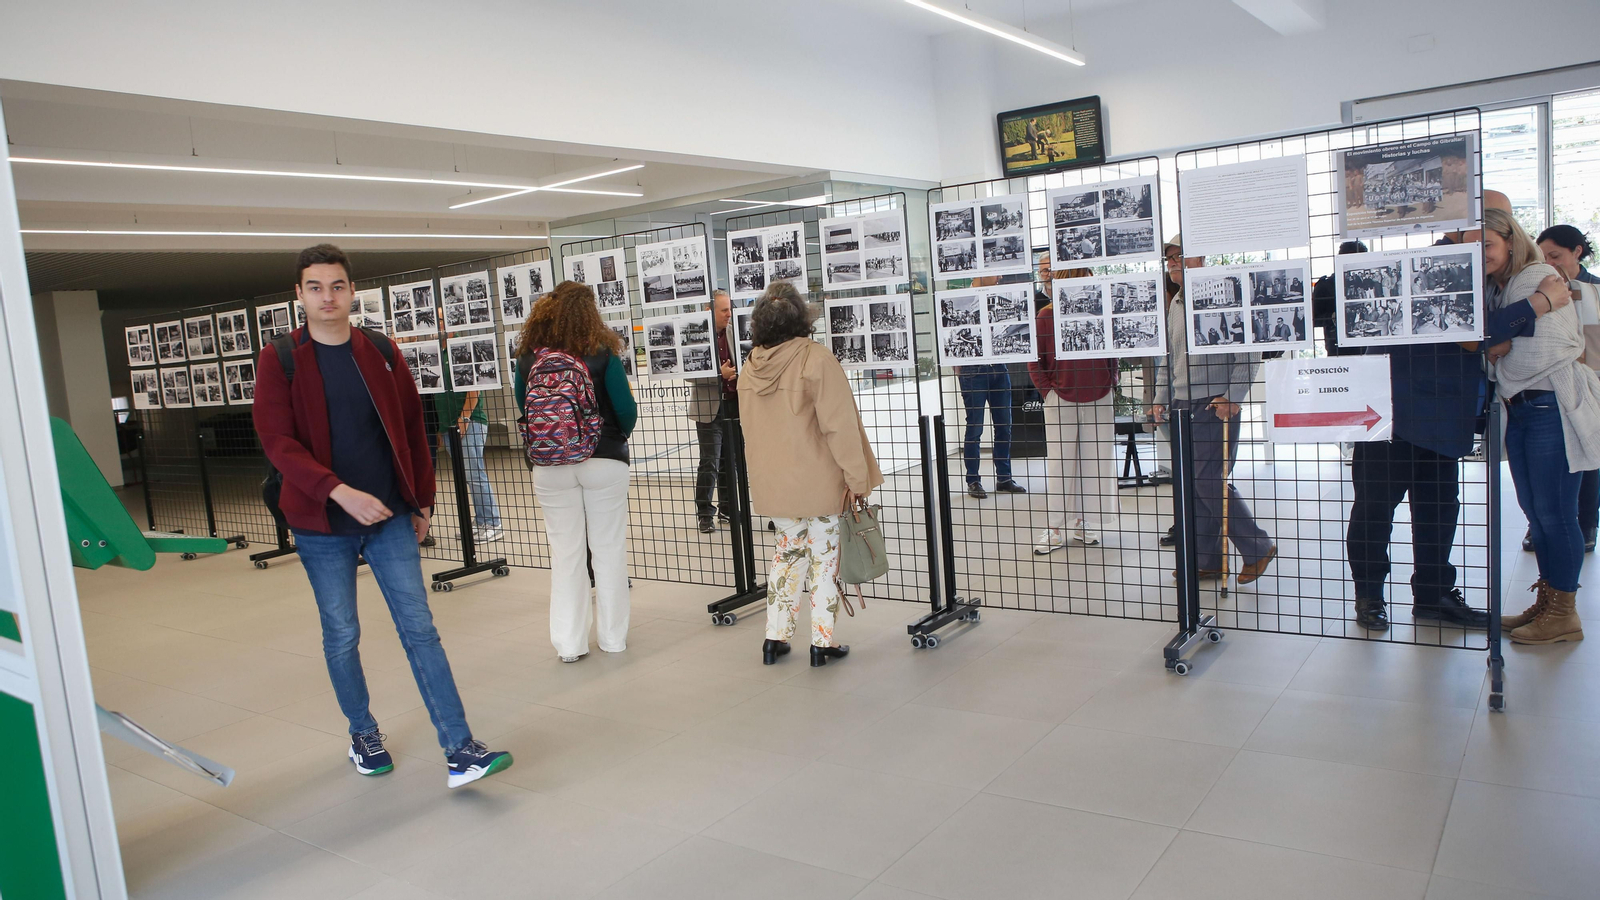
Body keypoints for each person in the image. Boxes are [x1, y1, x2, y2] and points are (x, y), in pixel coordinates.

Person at [253, 244, 510, 788]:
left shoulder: (381, 351)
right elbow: (277, 442)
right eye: (316, 287)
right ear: (298, 294)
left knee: (420, 628)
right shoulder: (281, 359)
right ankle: (362, 732)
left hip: (390, 516)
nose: (328, 297)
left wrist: (421, 500)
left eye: (338, 286)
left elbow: (413, 430)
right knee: (342, 632)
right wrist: (337, 491)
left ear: (352, 291)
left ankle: (460, 748)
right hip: (322, 525)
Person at [738, 282, 882, 668]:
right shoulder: (815, 359)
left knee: (786, 557)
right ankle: (821, 643)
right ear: (802, 318)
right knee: (824, 560)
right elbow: (840, 427)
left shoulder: (751, 367)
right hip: (819, 483)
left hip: (774, 484)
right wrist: (857, 479)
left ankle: (775, 638)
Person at [513, 282, 637, 662]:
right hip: (602, 461)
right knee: (608, 550)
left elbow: (525, 408)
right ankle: (613, 639)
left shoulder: (530, 359)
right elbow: (626, 411)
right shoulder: (602, 352)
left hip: (549, 466)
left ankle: (569, 644)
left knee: (566, 554)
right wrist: (608, 436)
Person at [1488, 207, 1594, 645]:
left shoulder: (1533, 278)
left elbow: (1537, 353)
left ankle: (1564, 613)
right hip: (1525, 408)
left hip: (1549, 405)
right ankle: (1549, 602)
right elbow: (1488, 340)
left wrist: (1500, 343)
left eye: (1487, 243)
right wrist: (1500, 339)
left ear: (1511, 240)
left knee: (1555, 514)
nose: (1481, 253)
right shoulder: (1511, 288)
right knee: (1538, 512)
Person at [1150, 234, 1277, 584]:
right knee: (1192, 483)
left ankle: (1257, 546)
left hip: (1213, 404)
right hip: (1181, 404)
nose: (1173, 263)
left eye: (1180, 257)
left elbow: (1248, 350)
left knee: (1207, 480)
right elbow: (1168, 356)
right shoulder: (1175, 302)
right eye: (1170, 258)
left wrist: (1233, 396)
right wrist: (1161, 397)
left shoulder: (1226, 294)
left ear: (1201, 259)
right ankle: (1207, 560)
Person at [1029, 294, 1120, 552]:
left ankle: (1083, 520)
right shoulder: (1046, 315)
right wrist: (1048, 391)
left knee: (1096, 460)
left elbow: (1112, 348)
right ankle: (1054, 526)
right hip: (1061, 395)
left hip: (1099, 393)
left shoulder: (1101, 308)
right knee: (1060, 462)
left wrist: (1112, 378)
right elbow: (1035, 358)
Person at [1538, 224, 1600, 554]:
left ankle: (1587, 523)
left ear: (1577, 251)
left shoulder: (1596, 290)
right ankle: (1539, 526)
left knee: (1588, 457)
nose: (1549, 262)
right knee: (1547, 463)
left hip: (1590, 386)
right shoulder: (1539, 291)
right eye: (1543, 257)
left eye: (1556, 255)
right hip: (1548, 387)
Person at [687, 289, 737, 533]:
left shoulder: (735, 333)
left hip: (734, 405)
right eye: (724, 310)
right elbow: (689, 375)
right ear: (710, 311)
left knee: (732, 461)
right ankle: (705, 513)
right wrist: (721, 374)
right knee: (710, 462)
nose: (729, 314)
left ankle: (728, 508)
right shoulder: (696, 336)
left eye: (730, 309)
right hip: (708, 408)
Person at [437, 376, 502, 543]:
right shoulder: (439, 352)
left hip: (469, 422)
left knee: (474, 474)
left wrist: (465, 417)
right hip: (448, 426)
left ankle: (492, 523)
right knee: (468, 476)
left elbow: (474, 387)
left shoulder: (455, 351)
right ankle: (481, 521)